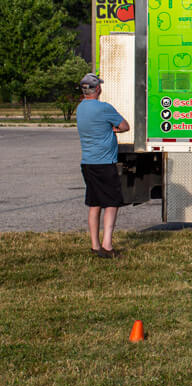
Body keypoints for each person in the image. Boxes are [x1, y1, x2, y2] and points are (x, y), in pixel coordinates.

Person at [75, 73, 130, 258]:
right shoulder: (104, 108)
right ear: (97, 88)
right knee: (112, 203)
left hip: (88, 163)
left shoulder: (80, 108)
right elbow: (124, 126)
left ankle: (95, 245)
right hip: (105, 163)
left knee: (94, 204)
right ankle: (107, 245)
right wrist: (113, 129)